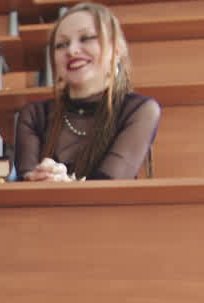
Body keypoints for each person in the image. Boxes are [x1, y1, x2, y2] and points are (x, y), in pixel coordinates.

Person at [14, 2, 161, 181]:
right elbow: (24, 185)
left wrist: (65, 185)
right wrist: (40, 178)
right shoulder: (34, 115)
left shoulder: (139, 109)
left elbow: (111, 184)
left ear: (116, 50)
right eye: (61, 44)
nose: (72, 50)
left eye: (86, 38)